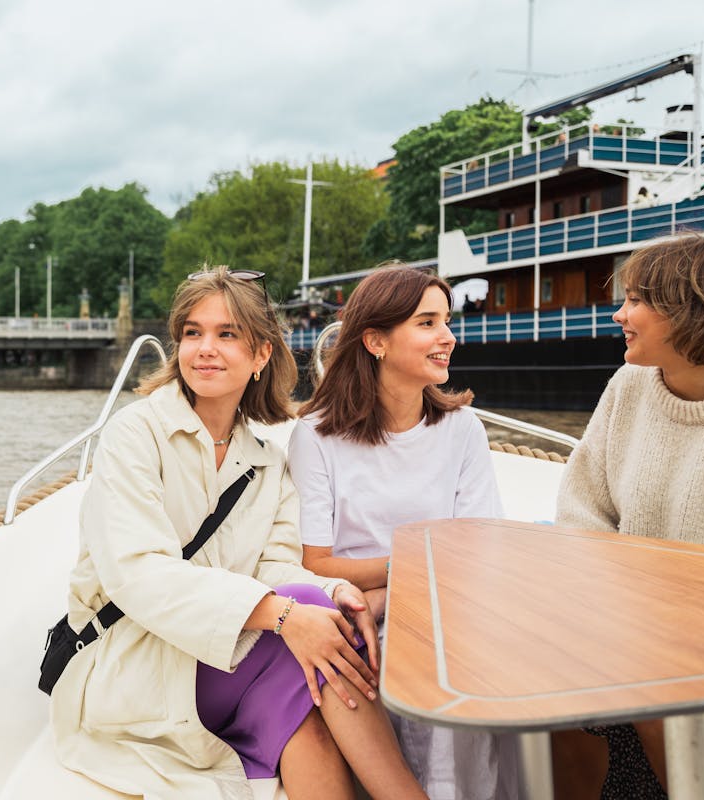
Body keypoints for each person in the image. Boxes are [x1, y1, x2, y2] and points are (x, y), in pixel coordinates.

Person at [49, 266, 426, 799]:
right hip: (134, 661)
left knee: (309, 714)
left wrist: (333, 591)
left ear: (261, 356)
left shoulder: (267, 461)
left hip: (222, 658)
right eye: (193, 332)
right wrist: (290, 613)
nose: (205, 348)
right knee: (308, 629)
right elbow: (140, 574)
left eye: (227, 334)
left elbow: (275, 565)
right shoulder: (136, 435)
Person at [288, 264, 517, 799]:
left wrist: (390, 589)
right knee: (412, 656)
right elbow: (313, 563)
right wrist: (409, 575)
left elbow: (479, 550)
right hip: (353, 614)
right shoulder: (317, 437)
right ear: (375, 341)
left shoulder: (461, 430)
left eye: (447, 321)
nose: (448, 337)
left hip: (437, 604)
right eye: (427, 322)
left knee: (476, 651)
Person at [553, 234, 704, 800]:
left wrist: (643, 614)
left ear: (692, 309)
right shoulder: (628, 385)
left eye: (636, 300)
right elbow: (580, 509)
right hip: (623, 624)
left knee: (659, 700)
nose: (619, 313)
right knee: (550, 699)